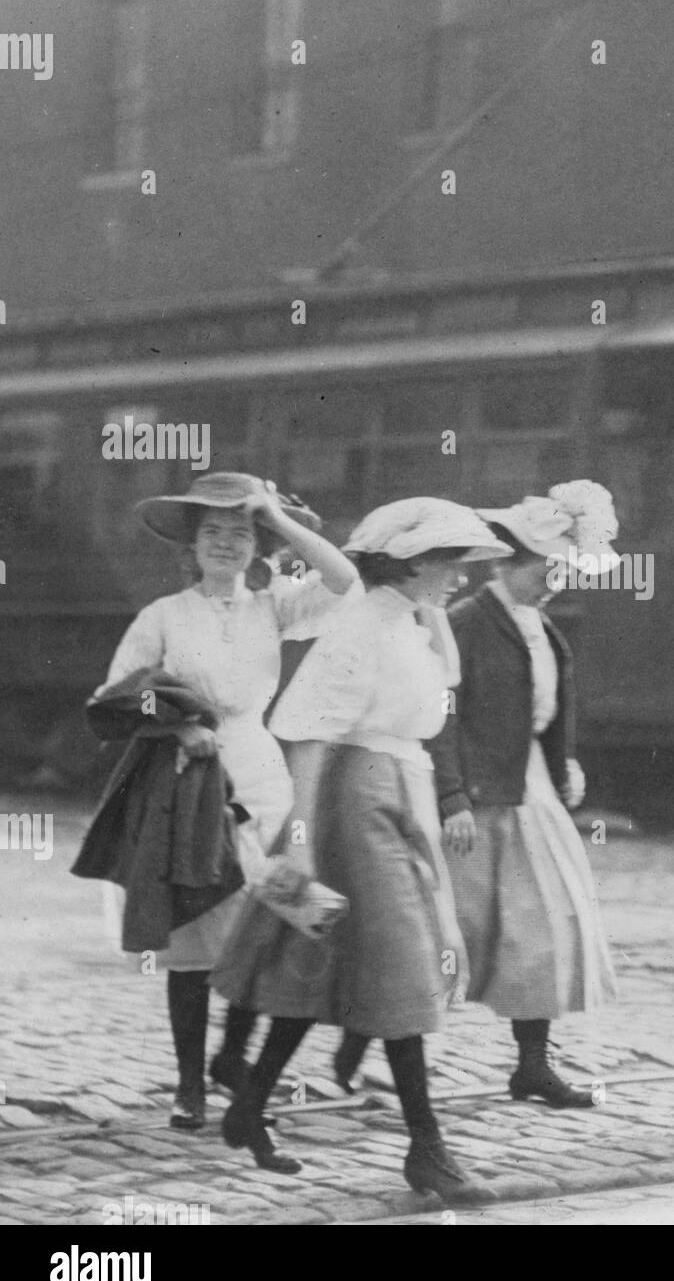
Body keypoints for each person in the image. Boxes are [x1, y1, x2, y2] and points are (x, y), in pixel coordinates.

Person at [211, 498, 511, 1200]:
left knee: (330, 959)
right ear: (408, 563)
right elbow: (312, 735)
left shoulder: (407, 620)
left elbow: (444, 693)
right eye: (449, 563)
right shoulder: (360, 627)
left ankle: (250, 1102)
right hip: (355, 801)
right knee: (401, 967)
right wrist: (303, 845)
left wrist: (431, 611)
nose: (461, 578)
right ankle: (426, 1149)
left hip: (401, 793)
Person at [85, 473, 358, 1130]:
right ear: (192, 545)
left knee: (274, 923)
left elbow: (346, 580)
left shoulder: (277, 606)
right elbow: (117, 695)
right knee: (194, 938)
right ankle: (189, 1087)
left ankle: (232, 1056)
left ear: (257, 545)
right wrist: (179, 723)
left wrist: (277, 517)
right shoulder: (164, 616)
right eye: (213, 533)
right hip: (189, 786)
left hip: (265, 781)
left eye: (240, 534)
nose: (226, 545)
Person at [428, 481, 619, 1107]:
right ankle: (372, 1049)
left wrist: (563, 760)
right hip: (478, 796)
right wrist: (452, 796)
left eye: (565, 568)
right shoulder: (466, 624)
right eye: (549, 567)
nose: (558, 579)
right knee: (449, 931)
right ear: (509, 562)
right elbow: (441, 716)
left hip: (527, 787)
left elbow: (544, 707)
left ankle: (531, 1064)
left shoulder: (541, 628)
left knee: (543, 923)